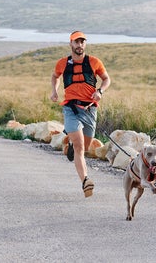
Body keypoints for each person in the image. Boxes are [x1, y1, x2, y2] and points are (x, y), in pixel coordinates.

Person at [50, 31, 111, 198]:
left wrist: (100, 91)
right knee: (79, 146)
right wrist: (54, 91)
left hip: (90, 110)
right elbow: (55, 76)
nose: (79, 45)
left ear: (85, 44)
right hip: (71, 109)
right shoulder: (62, 63)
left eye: (82, 42)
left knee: (84, 146)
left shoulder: (94, 62)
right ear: (71, 44)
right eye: (76, 42)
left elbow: (107, 79)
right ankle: (85, 180)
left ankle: (71, 144)